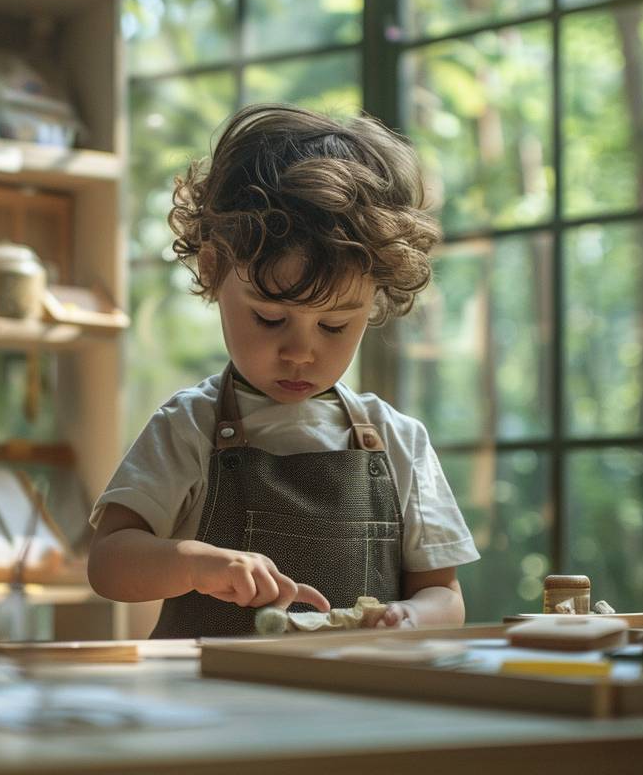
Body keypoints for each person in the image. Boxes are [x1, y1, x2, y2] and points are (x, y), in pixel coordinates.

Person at [87, 103, 479, 639]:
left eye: (336, 326)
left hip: (354, 711)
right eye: (271, 318)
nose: (301, 352)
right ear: (212, 268)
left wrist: (413, 616)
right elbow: (109, 563)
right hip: (213, 710)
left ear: (373, 302)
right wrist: (194, 564)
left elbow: (443, 593)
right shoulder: (189, 426)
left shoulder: (398, 441)